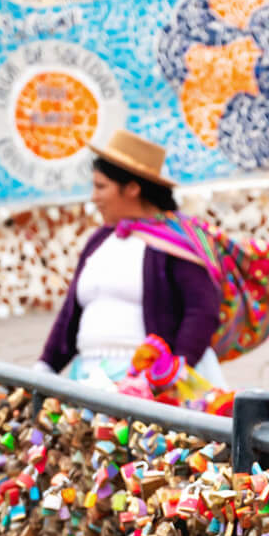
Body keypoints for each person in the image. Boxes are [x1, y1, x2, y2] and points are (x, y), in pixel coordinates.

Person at [36, 130, 226, 383]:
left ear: (133, 188)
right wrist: (45, 366)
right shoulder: (99, 240)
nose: (94, 197)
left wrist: (176, 371)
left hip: (151, 383)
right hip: (89, 378)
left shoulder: (176, 243)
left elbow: (201, 310)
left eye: (101, 187)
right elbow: (70, 315)